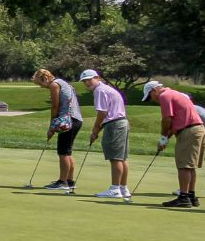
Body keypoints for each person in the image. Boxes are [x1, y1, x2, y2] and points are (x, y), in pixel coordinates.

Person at [145, 81, 205, 207]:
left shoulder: (164, 96)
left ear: (154, 90)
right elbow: (174, 124)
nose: (152, 100)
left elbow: (167, 119)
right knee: (190, 166)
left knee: (184, 166)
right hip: (196, 129)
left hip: (189, 131)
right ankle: (191, 196)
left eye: (149, 96)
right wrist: (166, 138)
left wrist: (163, 137)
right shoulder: (175, 94)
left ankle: (184, 197)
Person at [82, 70, 132, 198]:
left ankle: (115, 189)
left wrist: (95, 129)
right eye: (84, 81)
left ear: (97, 78)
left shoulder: (100, 90)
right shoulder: (106, 89)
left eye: (89, 80)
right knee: (122, 158)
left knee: (115, 158)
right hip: (122, 123)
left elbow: (102, 113)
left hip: (114, 125)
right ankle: (123, 188)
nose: (87, 83)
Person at [31, 69, 83, 190]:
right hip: (76, 120)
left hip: (67, 120)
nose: (41, 87)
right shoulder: (63, 83)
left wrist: (51, 127)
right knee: (67, 151)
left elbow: (55, 106)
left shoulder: (54, 84)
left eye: (40, 84)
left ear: (45, 79)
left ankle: (62, 182)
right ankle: (69, 181)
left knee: (63, 151)